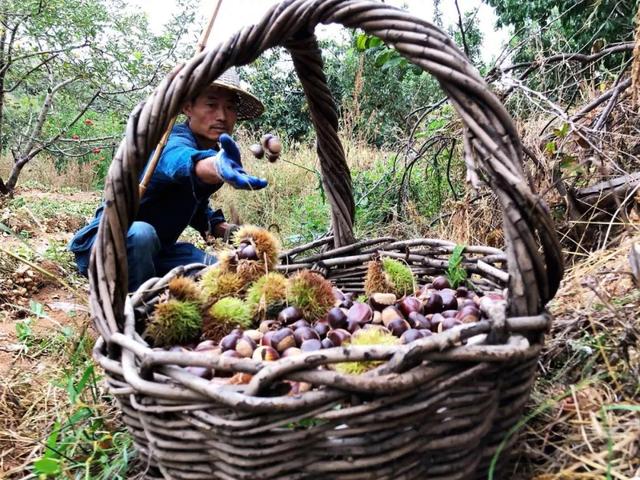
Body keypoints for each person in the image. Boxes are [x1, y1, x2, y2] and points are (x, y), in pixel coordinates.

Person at [68, 68, 267, 291]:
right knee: (141, 234)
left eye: (230, 107)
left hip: (157, 252)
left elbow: (195, 206)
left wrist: (229, 231)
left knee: (218, 268)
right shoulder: (170, 142)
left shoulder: (212, 150)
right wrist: (216, 165)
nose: (222, 115)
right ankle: (136, 309)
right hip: (110, 243)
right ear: (187, 107)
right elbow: (179, 161)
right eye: (211, 105)